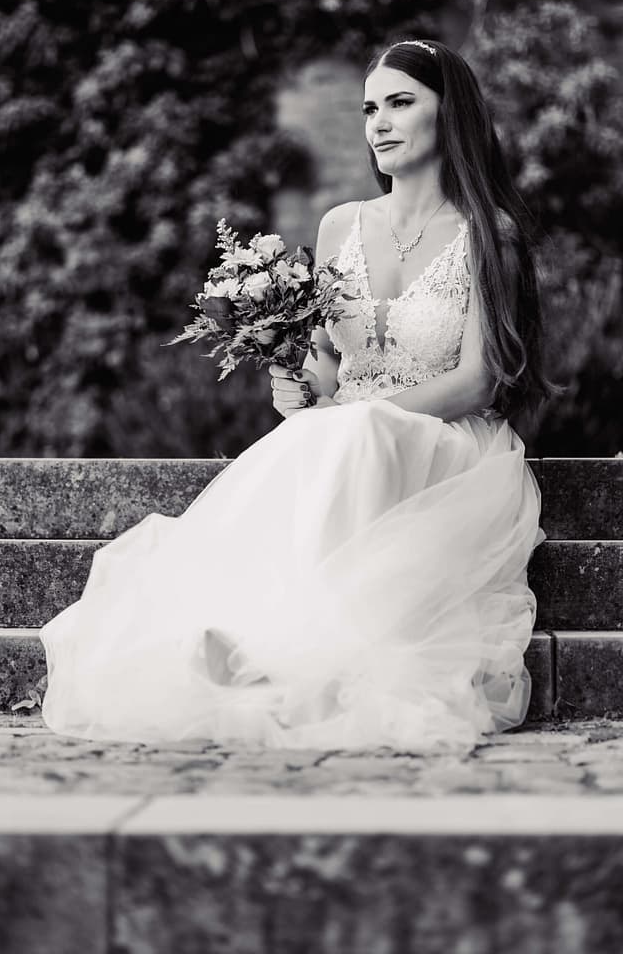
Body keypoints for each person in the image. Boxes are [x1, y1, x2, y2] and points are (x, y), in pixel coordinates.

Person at [40, 38, 552, 754]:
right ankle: (267, 640)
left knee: (355, 435)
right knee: (327, 439)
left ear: (451, 113)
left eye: (401, 103)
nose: (379, 122)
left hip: (448, 444)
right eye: (369, 109)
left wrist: (360, 415)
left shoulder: (488, 234)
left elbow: (479, 380)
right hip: (344, 436)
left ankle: (278, 655)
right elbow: (327, 367)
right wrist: (298, 386)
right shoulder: (341, 225)